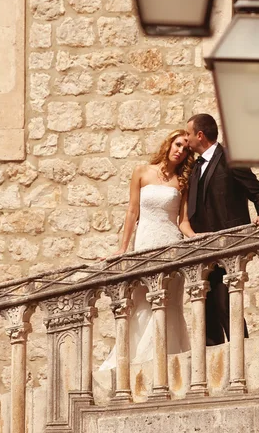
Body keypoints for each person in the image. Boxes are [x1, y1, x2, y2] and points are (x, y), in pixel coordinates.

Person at [99, 129, 195, 371]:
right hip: (145, 242)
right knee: (142, 300)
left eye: (185, 149)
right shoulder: (141, 172)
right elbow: (132, 212)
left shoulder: (182, 182)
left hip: (170, 243)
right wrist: (122, 249)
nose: (180, 151)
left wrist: (196, 238)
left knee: (168, 301)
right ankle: (136, 362)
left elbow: (182, 222)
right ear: (169, 144)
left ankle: (166, 361)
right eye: (178, 145)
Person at [180, 113, 259, 346]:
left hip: (227, 244)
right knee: (207, 309)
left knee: (225, 304)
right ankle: (214, 373)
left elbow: (258, 192)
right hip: (201, 248)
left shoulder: (230, 158)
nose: (187, 139)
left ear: (200, 135)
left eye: (189, 134)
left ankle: (243, 358)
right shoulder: (194, 167)